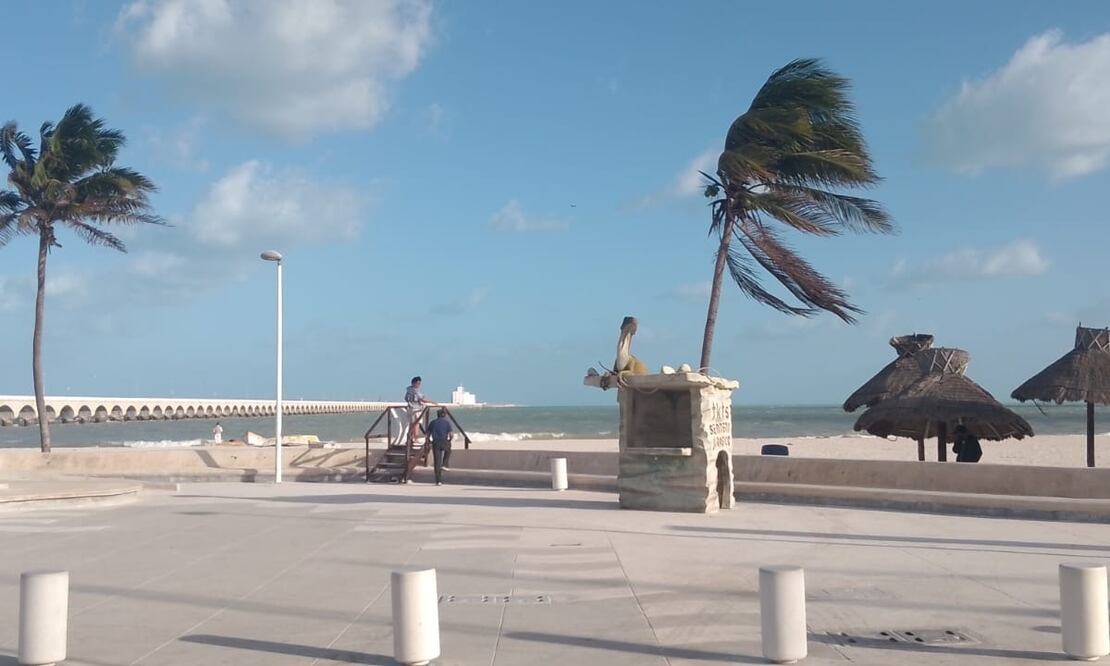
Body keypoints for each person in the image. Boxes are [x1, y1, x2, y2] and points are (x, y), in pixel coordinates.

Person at [403, 376, 437, 445]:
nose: (419, 385)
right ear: (413, 383)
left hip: (410, 408)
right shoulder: (415, 391)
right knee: (416, 424)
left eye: (419, 383)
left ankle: (410, 438)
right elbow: (422, 399)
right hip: (416, 409)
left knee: (412, 424)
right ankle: (415, 438)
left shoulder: (408, 390)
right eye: (418, 383)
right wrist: (432, 402)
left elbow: (406, 399)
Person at [427, 408, 454, 485]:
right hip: (444, 441)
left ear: (437, 415)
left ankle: (438, 481)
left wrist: (428, 440)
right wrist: (449, 440)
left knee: (437, 462)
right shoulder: (447, 422)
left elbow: (428, 434)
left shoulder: (433, 422)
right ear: (444, 415)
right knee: (448, 451)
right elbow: (451, 434)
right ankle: (444, 464)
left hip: (435, 442)